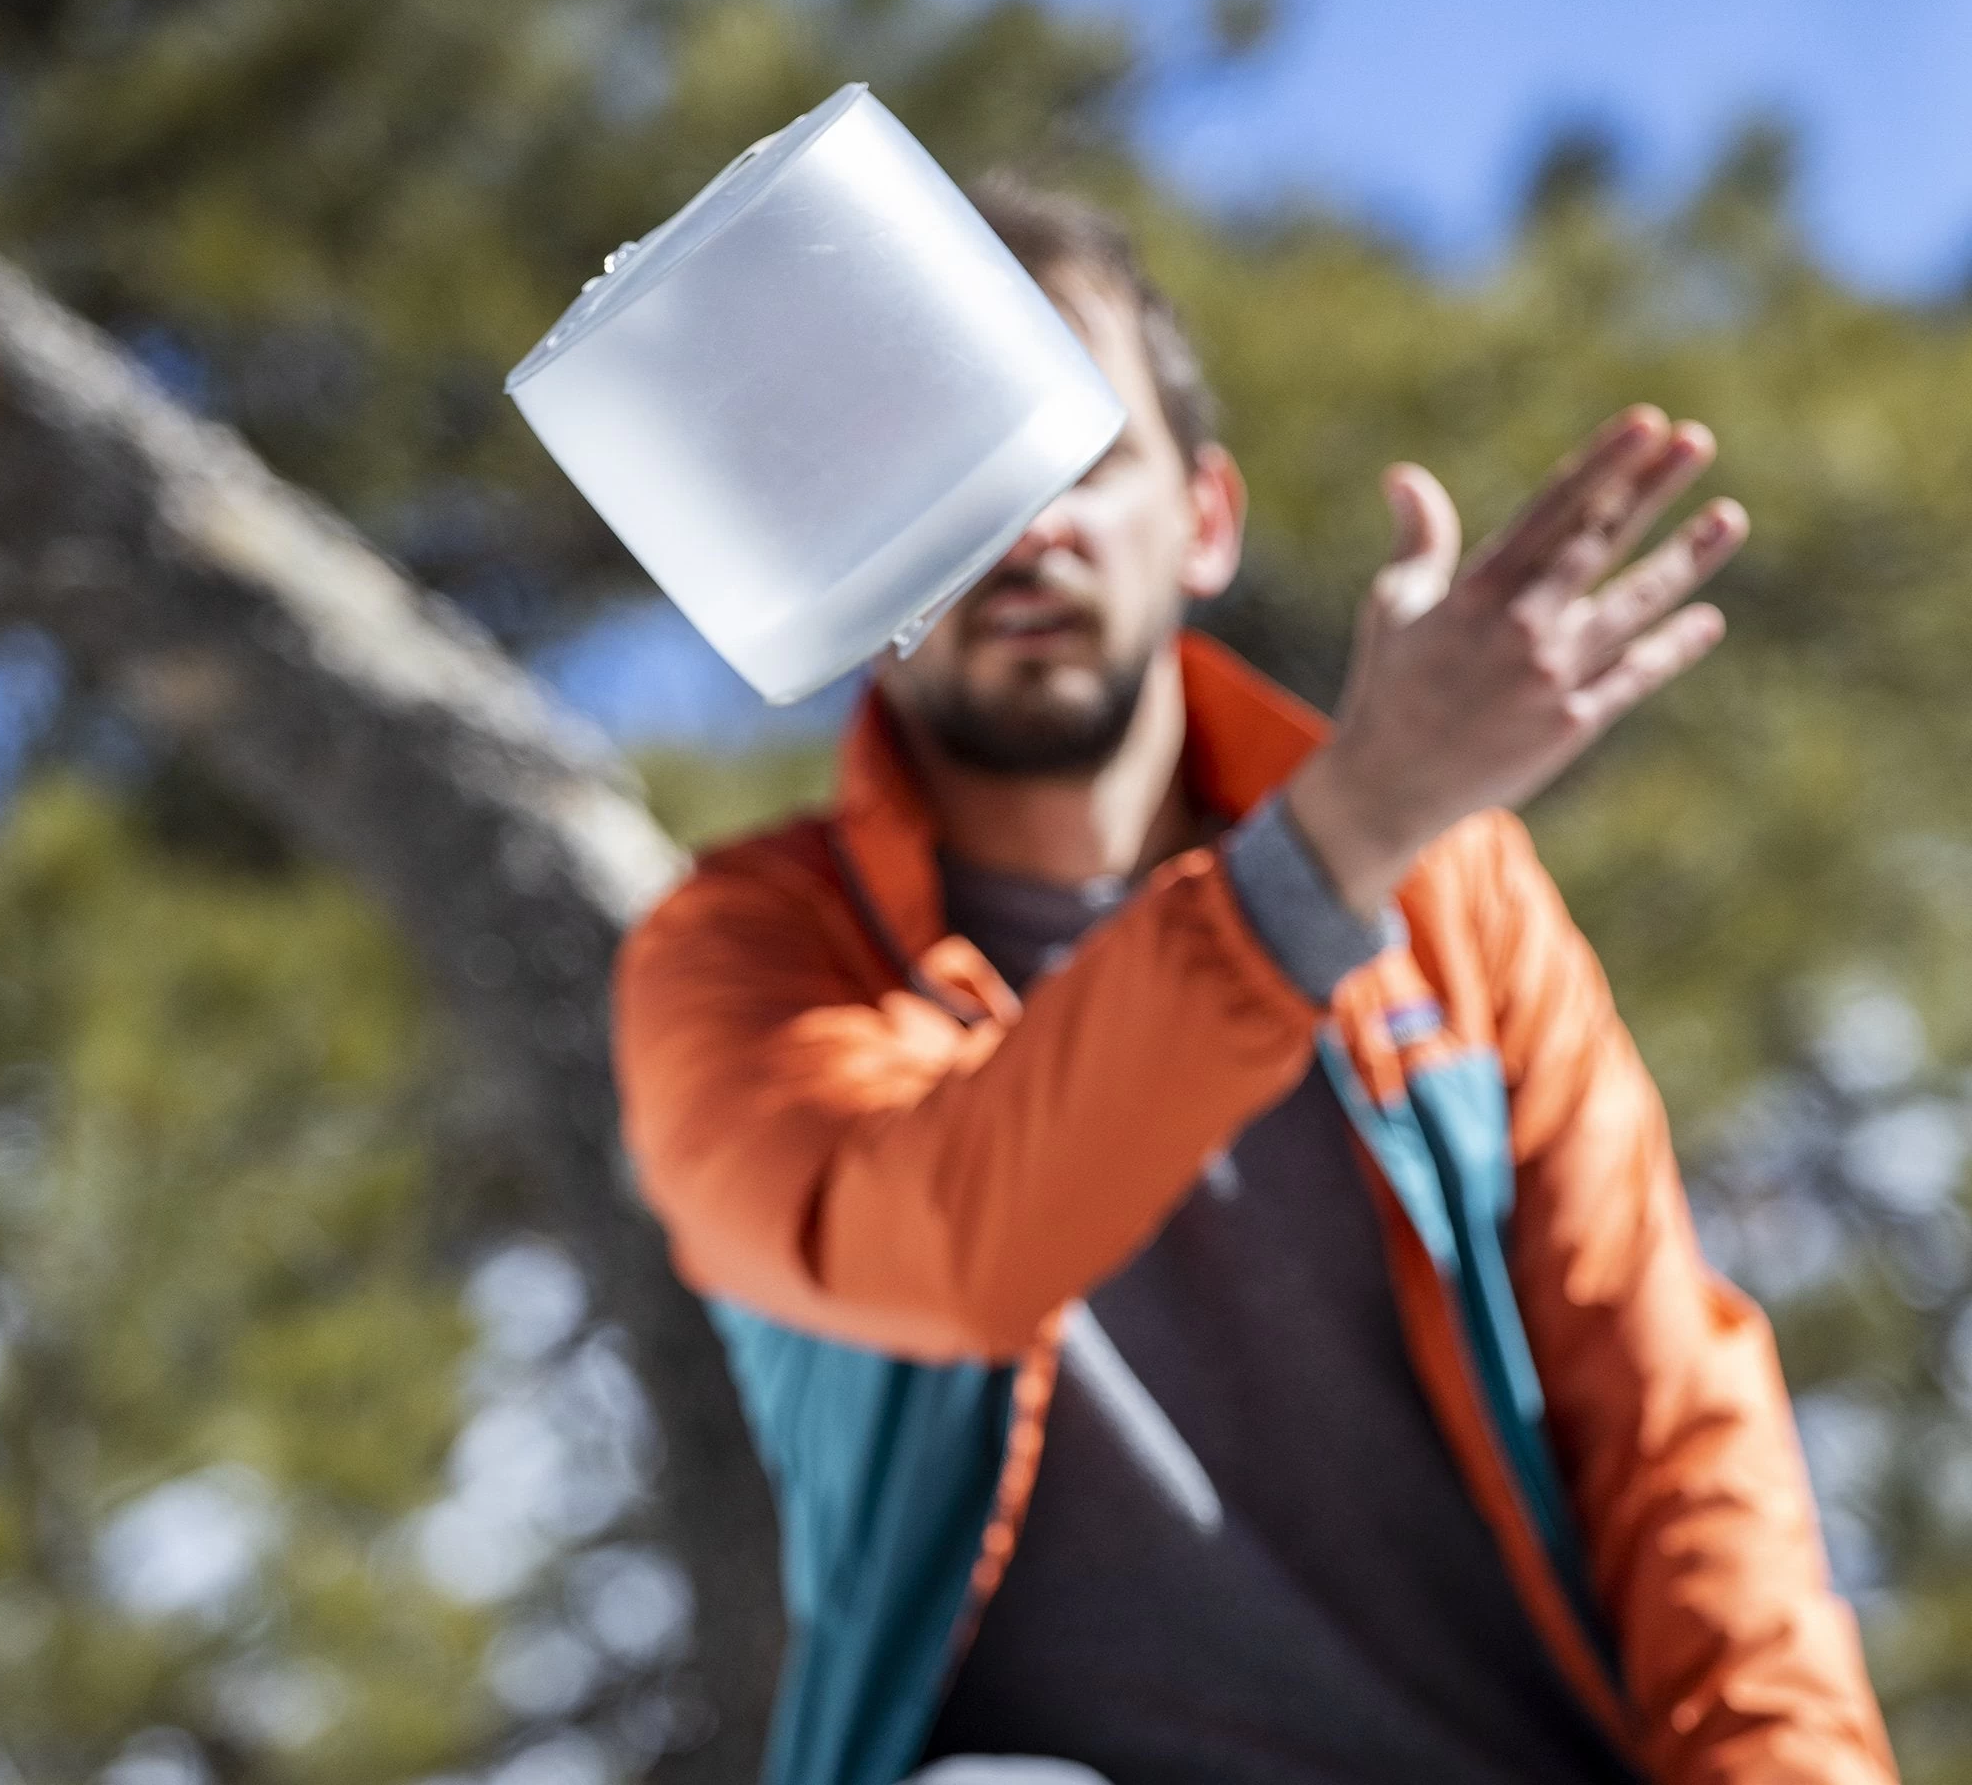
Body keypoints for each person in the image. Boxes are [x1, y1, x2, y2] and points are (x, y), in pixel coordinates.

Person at [611, 178, 1896, 1785]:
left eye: (1080, 452)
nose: (1027, 523)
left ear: (1206, 519)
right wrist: (1342, 836)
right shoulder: (742, 955)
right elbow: (936, 1244)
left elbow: (1668, 1418)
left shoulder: (1451, 893)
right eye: (948, 469)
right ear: (855, 557)